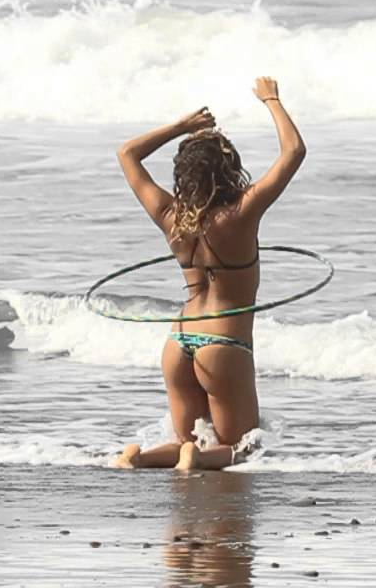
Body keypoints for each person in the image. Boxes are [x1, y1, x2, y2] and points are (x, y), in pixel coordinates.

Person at [113, 77, 306, 470]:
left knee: (184, 441)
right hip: (224, 344)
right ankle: (191, 458)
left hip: (179, 339)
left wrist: (181, 127)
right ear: (228, 169)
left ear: (184, 176)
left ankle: (135, 457)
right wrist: (271, 100)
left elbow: (127, 153)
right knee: (241, 448)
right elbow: (294, 151)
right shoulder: (240, 214)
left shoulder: (170, 217)